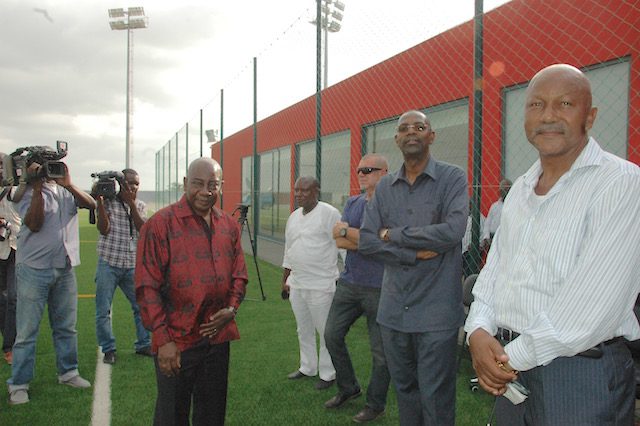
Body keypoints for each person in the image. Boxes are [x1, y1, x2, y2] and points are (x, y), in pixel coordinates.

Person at [464, 64, 640, 425]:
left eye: (565, 104)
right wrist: (478, 330)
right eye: (537, 105)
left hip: (578, 375)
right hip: (512, 366)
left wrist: (503, 359)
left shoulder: (620, 183)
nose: (548, 116)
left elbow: (592, 306)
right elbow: (494, 271)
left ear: (589, 116)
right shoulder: (520, 191)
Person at [359, 110, 468, 425]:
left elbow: (452, 231)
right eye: (404, 128)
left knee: (436, 397)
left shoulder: (452, 178)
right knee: (406, 394)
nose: (411, 132)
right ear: (396, 139)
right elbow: (367, 241)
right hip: (394, 313)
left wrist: (393, 235)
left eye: (419, 127)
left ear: (431, 136)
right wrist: (412, 254)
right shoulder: (384, 188)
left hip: (436, 314)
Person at [135, 158, 247, 425]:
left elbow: (239, 275)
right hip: (177, 340)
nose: (206, 191)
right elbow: (146, 287)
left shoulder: (229, 226)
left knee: (212, 414)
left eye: (213, 185)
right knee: (172, 415)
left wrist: (231, 309)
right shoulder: (160, 224)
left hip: (217, 339)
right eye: (198, 184)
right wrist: (163, 340)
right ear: (186, 184)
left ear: (221, 187)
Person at [7, 161, 96, 405]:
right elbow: (33, 223)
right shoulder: (22, 192)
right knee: (27, 332)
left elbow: (92, 204)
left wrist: (69, 184)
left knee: (66, 327)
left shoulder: (65, 190)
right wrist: (36, 187)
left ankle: (68, 372)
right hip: (34, 269)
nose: (49, 171)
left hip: (64, 267)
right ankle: (19, 384)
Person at [324, 154, 391, 423]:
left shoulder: (392, 204)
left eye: (368, 170)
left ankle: (375, 404)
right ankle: (348, 388)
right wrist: (364, 238)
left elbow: (386, 244)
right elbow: (339, 240)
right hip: (350, 283)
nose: (361, 174)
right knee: (331, 335)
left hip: (381, 288)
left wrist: (348, 233)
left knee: (381, 353)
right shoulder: (353, 202)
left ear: (384, 172)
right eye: (359, 170)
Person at [282, 176, 341, 390]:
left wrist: (346, 279)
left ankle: (328, 373)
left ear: (316, 190)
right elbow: (289, 250)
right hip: (297, 283)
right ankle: (307, 367)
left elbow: (343, 247)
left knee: (325, 331)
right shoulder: (293, 217)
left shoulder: (329, 214)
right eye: (296, 190)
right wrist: (285, 280)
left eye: (304, 190)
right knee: (303, 329)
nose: (299, 194)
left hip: (321, 285)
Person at [94, 169, 151, 365]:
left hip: (131, 264)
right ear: (120, 184)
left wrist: (131, 204)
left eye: (136, 183)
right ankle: (108, 349)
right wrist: (100, 203)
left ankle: (144, 344)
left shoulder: (140, 205)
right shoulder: (108, 203)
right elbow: (103, 229)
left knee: (141, 306)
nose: (132, 187)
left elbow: (142, 229)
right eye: (128, 183)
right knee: (103, 310)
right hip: (108, 262)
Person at [0, 155, 21, 366]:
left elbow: (24, 221)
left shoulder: (15, 192)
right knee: (2, 300)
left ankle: (10, 346)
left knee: (13, 297)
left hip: (15, 248)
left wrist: (7, 225)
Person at [480, 178, 511, 249]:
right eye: (502, 188)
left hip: (506, 238)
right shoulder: (494, 206)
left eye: (506, 189)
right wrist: (486, 237)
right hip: (493, 238)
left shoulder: (514, 206)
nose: (503, 191)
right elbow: (487, 223)